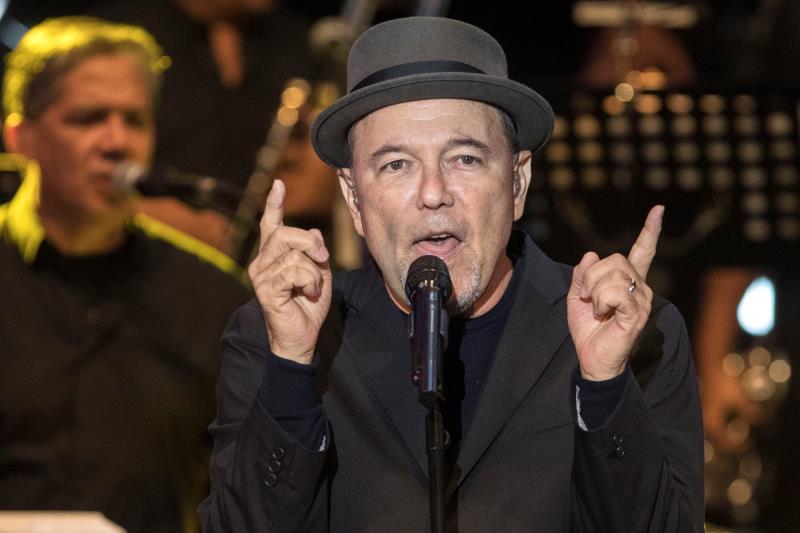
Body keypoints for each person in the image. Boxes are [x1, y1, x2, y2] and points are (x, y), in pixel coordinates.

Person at [199, 16, 704, 532]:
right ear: (352, 198)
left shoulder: (635, 334)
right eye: (396, 164)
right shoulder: (277, 337)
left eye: (464, 158)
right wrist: (290, 370)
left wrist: (604, 388)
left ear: (517, 181)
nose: (433, 193)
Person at [0, 17, 250, 533]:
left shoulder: (211, 293)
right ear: (22, 137)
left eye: (134, 120)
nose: (117, 142)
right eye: (88, 118)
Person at [93, 0, 338, 256]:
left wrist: (325, 180)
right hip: (136, 258)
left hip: (264, 264)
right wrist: (146, 215)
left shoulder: (300, 42)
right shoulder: (114, 36)